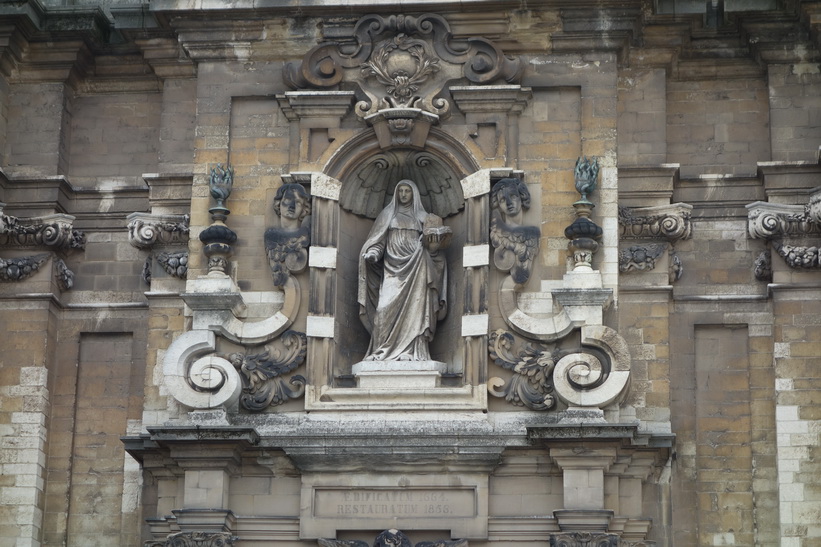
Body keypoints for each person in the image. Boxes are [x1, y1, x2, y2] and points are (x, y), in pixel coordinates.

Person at [358, 180, 449, 362]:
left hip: (417, 268)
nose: (404, 194)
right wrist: (373, 254)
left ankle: (413, 352)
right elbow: (378, 241)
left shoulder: (424, 218)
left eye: (408, 191)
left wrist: (434, 242)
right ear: (396, 194)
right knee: (383, 310)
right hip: (392, 270)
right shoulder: (387, 215)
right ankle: (380, 352)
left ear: (414, 194)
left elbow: (433, 248)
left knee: (417, 310)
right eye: (401, 191)